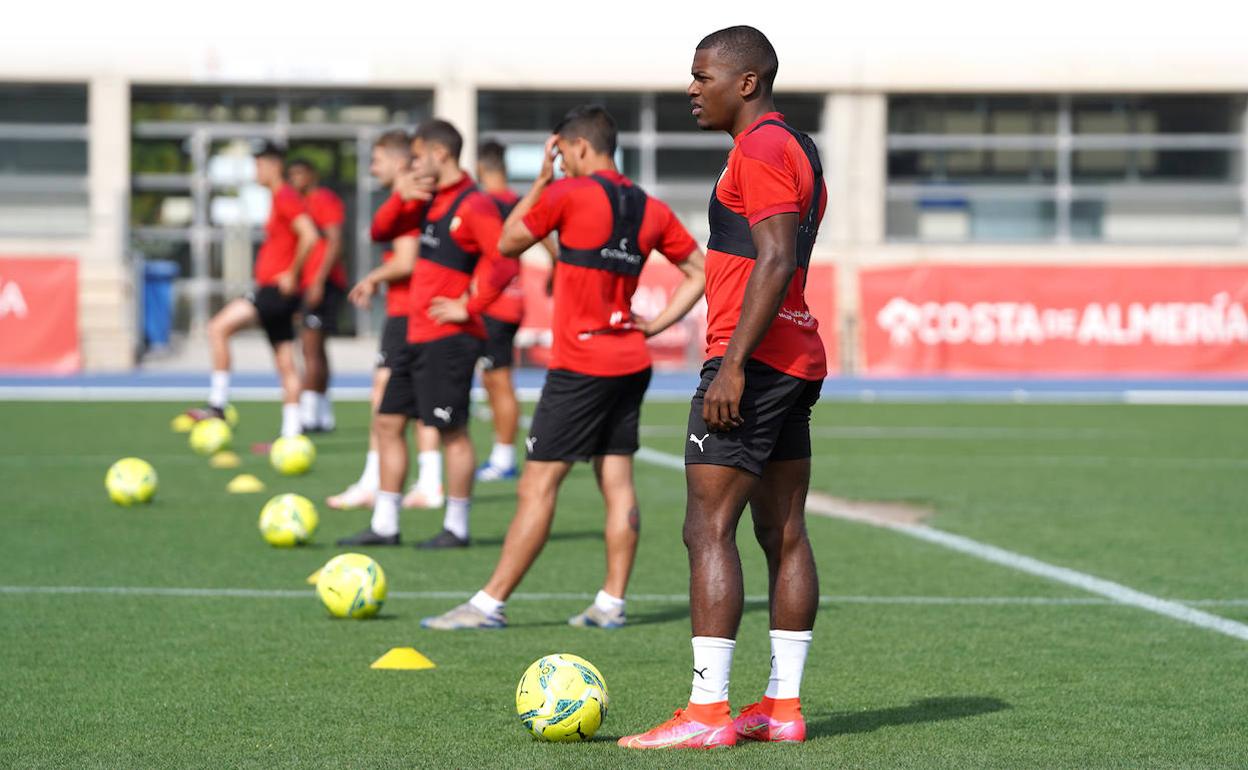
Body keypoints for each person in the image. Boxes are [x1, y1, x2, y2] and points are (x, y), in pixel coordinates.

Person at [419, 105, 706, 631]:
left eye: (563, 155)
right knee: (616, 479)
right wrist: (655, 327)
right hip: (629, 359)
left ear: (575, 148)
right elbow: (698, 271)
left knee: (537, 486)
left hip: (580, 364)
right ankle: (611, 603)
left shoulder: (567, 193)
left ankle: (487, 605)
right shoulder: (649, 206)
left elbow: (506, 243)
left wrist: (540, 183)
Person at [621, 26, 828, 750]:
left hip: (755, 362)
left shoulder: (763, 148)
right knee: (783, 531)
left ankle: (708, 713)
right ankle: (781, 708)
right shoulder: (800, 146)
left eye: (702, 74)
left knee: (706, 528)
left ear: (748, 82)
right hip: (796, 357)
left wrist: (733, 363)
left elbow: (773, 258)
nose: (691, 87)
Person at [337, 119, 507, 549]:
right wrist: (399, 196)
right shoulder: (426, 199)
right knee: (389, 421)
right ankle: (386, 524)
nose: (411, 164)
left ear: (439, 154)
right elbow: (379, 232)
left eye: (416, 156)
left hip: (450, 338)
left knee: (451, 431)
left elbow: (504, 261)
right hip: (415, 334)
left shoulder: (474, 204)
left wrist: (468, 306)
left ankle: (457, 527)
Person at [326, 130, 432, 510]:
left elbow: (407, 260)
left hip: (407, 313)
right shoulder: (407, 198)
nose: (372, 168)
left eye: (376, 159)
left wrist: (372, 277)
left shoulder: (408, 199)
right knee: (418, 402)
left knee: (385, 401)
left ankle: (376, 482)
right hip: (409, 312)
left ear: (399, 162)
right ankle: (428, 482)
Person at [189, 142, 319, 439]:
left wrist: (292, 272)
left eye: (259, 165)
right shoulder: (277, 198)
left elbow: (310, 235)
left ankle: (218, 403)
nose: (255, 172)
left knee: (217, 327)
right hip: (277, 292)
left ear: (274, 166)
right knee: (285, 361)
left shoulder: (286, 196)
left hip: (274, 291)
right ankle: (291, 434)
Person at [472, 140, 557, 482]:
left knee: (499, 379)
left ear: (481, 168)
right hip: (507, 301)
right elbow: (544, 235)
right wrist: (554, 264)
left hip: (495, 302)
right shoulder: (516, 203)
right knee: (492, 379)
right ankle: (500, 453)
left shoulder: (487, 204)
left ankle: (504, 457)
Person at [287, 159, 346, 433]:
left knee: (310, 347)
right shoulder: (300, 204)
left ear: (312, 173)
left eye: (300, 172)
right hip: (308, 283)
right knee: (315, 348)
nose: (295, 179)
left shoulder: (323, 199)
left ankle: (309, 413)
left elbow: (334, 240)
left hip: (322, 283)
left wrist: (319, 280)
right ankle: (323, 412)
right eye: (292, 175)